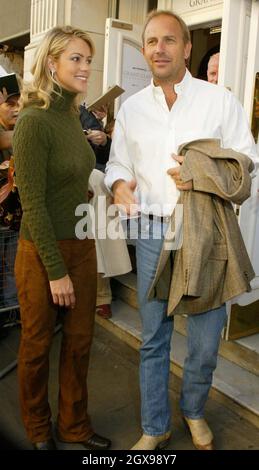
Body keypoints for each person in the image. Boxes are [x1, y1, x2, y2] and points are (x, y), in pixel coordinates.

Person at [105, 10, 258, 450]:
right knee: (153, 337)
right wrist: (118, 184)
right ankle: (156, 424)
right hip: (153, 233)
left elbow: (247, 163)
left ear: (187, 48)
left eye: (168, 40)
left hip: (207, 232)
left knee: (206, 343)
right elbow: (119, 163)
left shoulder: (219, 101)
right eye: (151, 41)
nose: (158, 49)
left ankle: (193, 411)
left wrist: (202, 179)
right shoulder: (131, 109)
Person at [12, 26, 111, 451]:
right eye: (76, 58)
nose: (86, 67)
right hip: (41, 250)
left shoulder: (72, 115)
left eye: (88, 59)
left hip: (82, 244)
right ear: (52, 63)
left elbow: (71, 178)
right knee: (36, 345)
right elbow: (32, 204)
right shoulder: (33, 121)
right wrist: (56, 272)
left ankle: (75, 425)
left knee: (79, 341)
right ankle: (37, 429)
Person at [80, 104, 113, 319]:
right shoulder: (40, 112)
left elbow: (105, 155)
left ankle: (102, 297)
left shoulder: (81, 112)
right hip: (62, 188)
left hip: (90, 186)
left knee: (96, 236)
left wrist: (103, 138)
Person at [0, 84, 21, 310]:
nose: (16, 109)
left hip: (14, 217)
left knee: (12, 267)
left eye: (19, 104)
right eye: (9, 104)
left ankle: (11, 310)